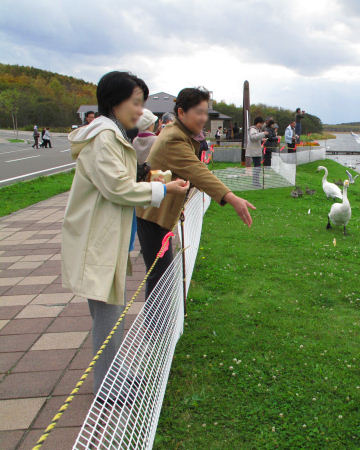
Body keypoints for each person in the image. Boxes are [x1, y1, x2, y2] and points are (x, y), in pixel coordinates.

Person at [61, 71, 189, 397]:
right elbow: (118, 188)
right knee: (107, 313)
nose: (140, 111)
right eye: (135, 102)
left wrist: (161, 182)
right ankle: (107, 386)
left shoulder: (113, 133)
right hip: (96, 240)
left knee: (112, 310)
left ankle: (114, 373)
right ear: (115, 103)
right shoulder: (104, 138)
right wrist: (164, 190)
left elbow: (127, 172)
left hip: (105, 238)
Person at [136, 87, 255, 299]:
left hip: (156, 213)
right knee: (159, 277)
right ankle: (155, 320)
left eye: (205, 112)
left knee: (161, 274)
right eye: (198, 112)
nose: (203, 118)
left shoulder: (180, 134)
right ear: (181, 112)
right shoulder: (174, 138)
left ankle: (159, 317)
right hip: (152, 216)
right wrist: (232, 198)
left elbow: (188, 172)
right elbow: (198, 171)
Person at [248, 116, 267, 186]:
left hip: (257, 151)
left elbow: (256, 137)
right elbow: (252, 137)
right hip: (255, 151)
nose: (261, 125)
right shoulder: (253, 129)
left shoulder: (257, 129)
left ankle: (255, 182)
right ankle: (255, 182)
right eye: (261, 123)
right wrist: (263, 134)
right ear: (258, 123)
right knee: (257, 167)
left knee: (257, 167)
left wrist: (262, 139)